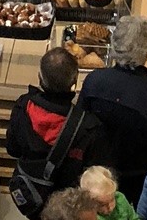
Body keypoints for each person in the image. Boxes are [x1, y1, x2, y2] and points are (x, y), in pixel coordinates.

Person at [73, 13, 147, 208]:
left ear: (114, 46)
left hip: (97, 174)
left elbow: (79, 128)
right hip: (137, 180)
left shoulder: (95, 81)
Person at [7, 46, 112, 190]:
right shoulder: (88, 127)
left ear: (40, 78)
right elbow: (92, 176)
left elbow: (12, 149)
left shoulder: (23, 105)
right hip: (69, 201)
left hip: (32, 193)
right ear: (74, 81)